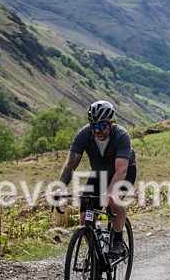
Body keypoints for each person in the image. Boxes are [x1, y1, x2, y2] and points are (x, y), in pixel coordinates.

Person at [57, 100, 137, 257]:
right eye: (94, 126)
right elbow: (70, 165)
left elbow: (121, 169)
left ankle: (118, 240)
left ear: (110, 124)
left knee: (115, 202)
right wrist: (60, 188)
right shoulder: (84, 134)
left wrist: (111, 192)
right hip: (99, 175)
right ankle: (96, 256)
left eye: (101, 126)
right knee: (84, 219)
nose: (97, 130)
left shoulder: (121, 135)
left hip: (124, 173)